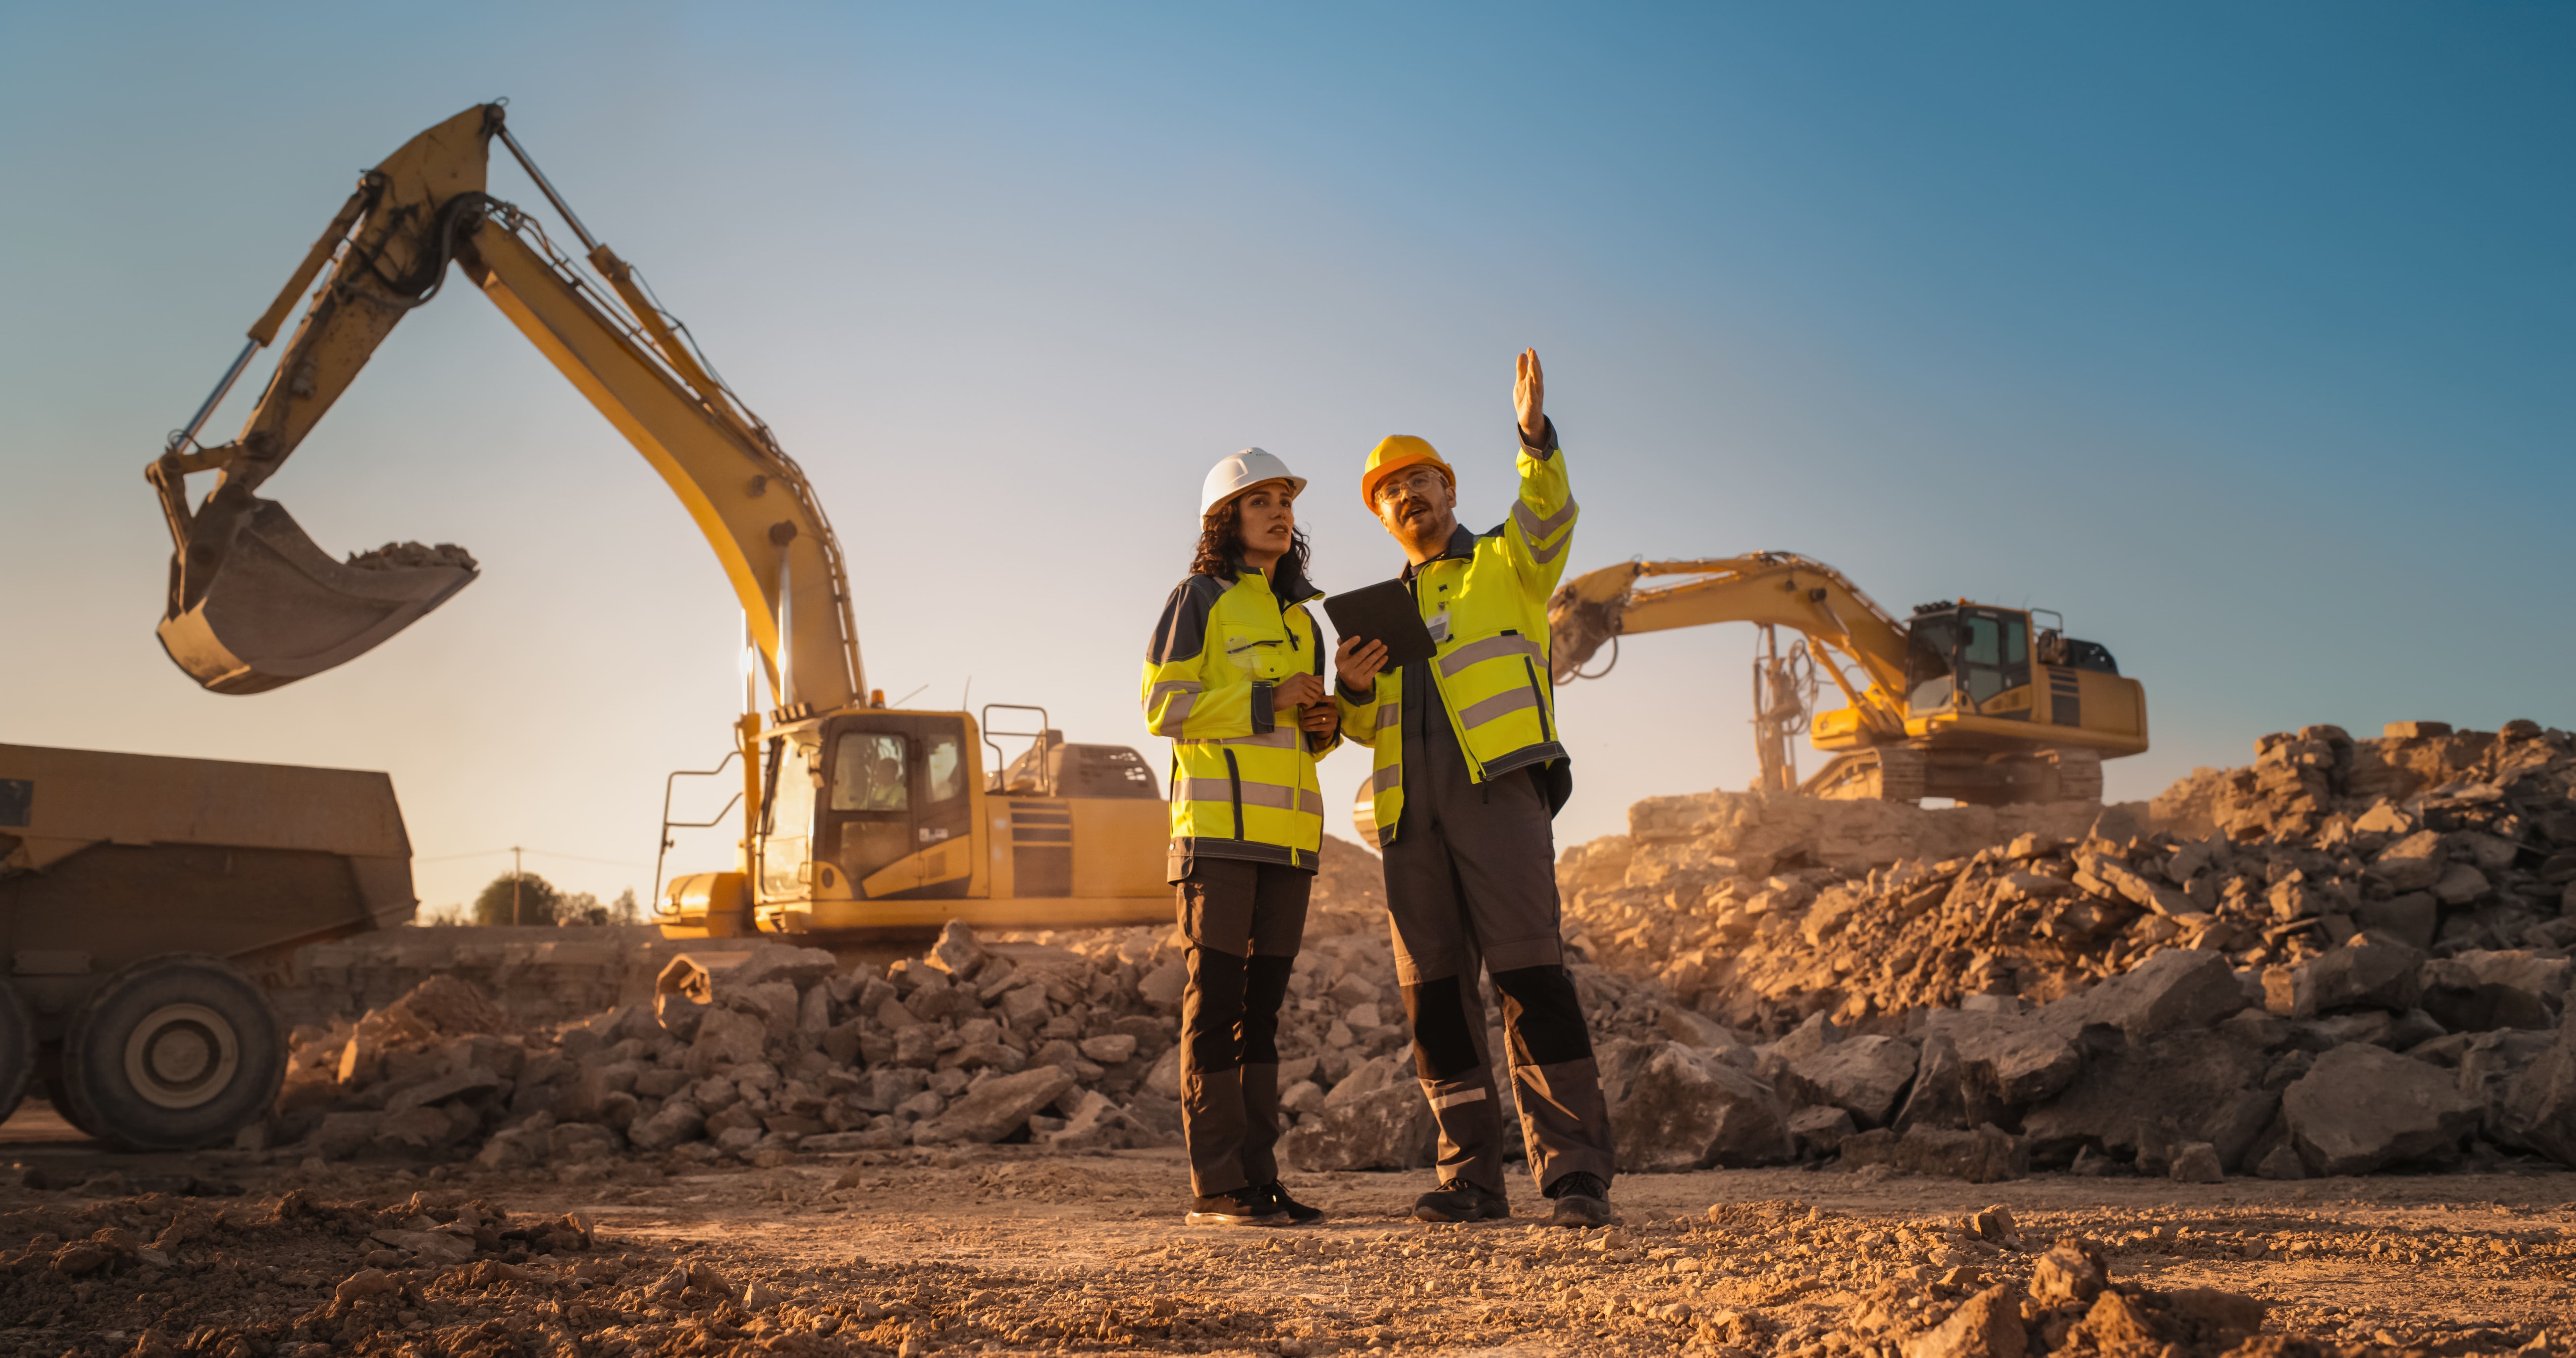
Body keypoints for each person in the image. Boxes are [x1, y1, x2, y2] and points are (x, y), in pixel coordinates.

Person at [1332, 349, 1617, 1228]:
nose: (1408, 496)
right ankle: (1470, 1177)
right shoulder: (1377, 617)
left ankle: (1572, 1172)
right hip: (1406, 818)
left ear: (1451, 492)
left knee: (1532, 976)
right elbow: (1359, 727)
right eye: (1392, 491)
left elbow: (1548, 511)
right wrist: (1347, 685)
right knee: (1436, 1001)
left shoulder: (1507, 562)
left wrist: (1534, 435)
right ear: (1382, 517)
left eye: (1422, 480)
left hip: (1499, 796)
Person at [1140, 448, 1353, 1227]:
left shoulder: (1303, 622)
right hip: (1218, 844)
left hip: (1290, 847)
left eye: (1285, 501)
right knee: (1216, 1007)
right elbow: (1164, 706)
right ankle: (1217, 1186)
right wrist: (1267, 697)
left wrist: (1326, 724)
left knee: (1262, 1016)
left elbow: (1302, 739)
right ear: (1225, 519)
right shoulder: (1197, 598)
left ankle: (1261, 1181)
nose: (1279, 511)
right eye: (1259, 500)